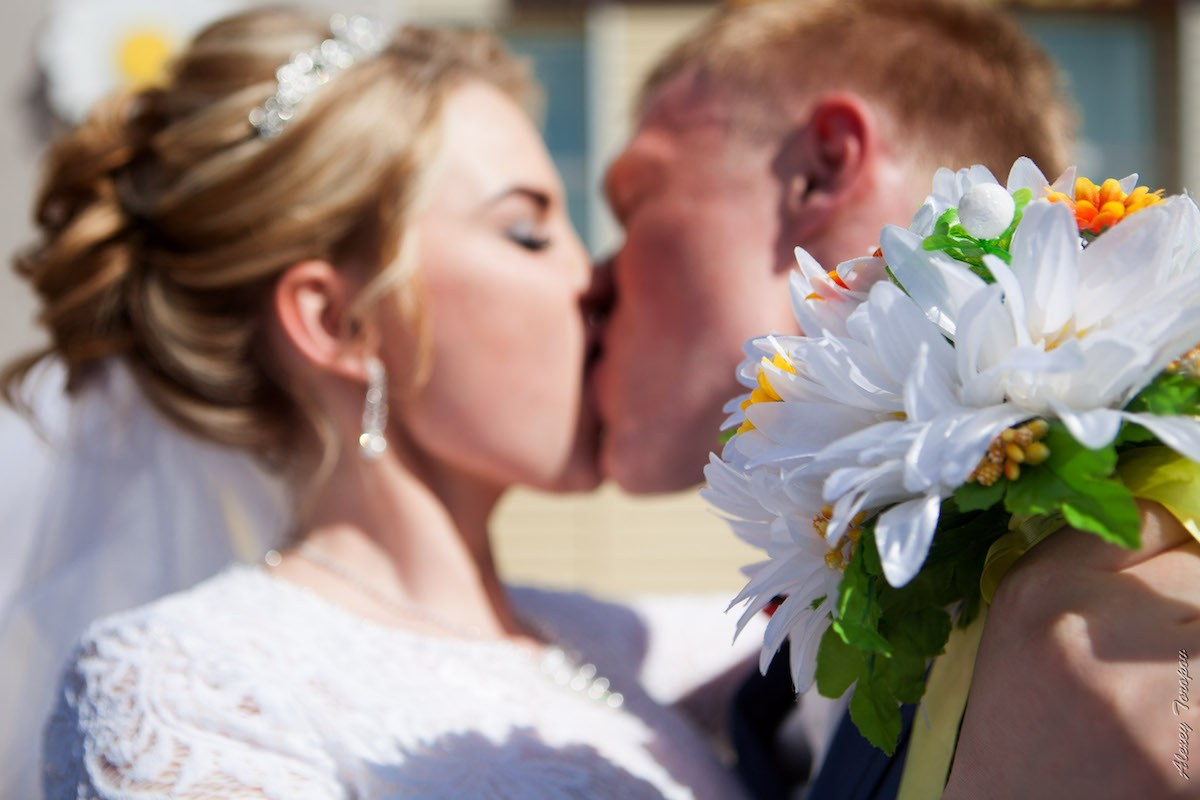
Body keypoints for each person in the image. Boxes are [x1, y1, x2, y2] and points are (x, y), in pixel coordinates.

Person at [23, 8, 756, 798]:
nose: (596, 281)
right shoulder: (188, 692)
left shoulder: (614, 640)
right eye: (528, 233)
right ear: (343, 324)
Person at [590, 0, 1195, 797]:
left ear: (819, 169)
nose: (593, 279)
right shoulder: (750, 704)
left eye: (635, 202)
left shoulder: (1151, 623)